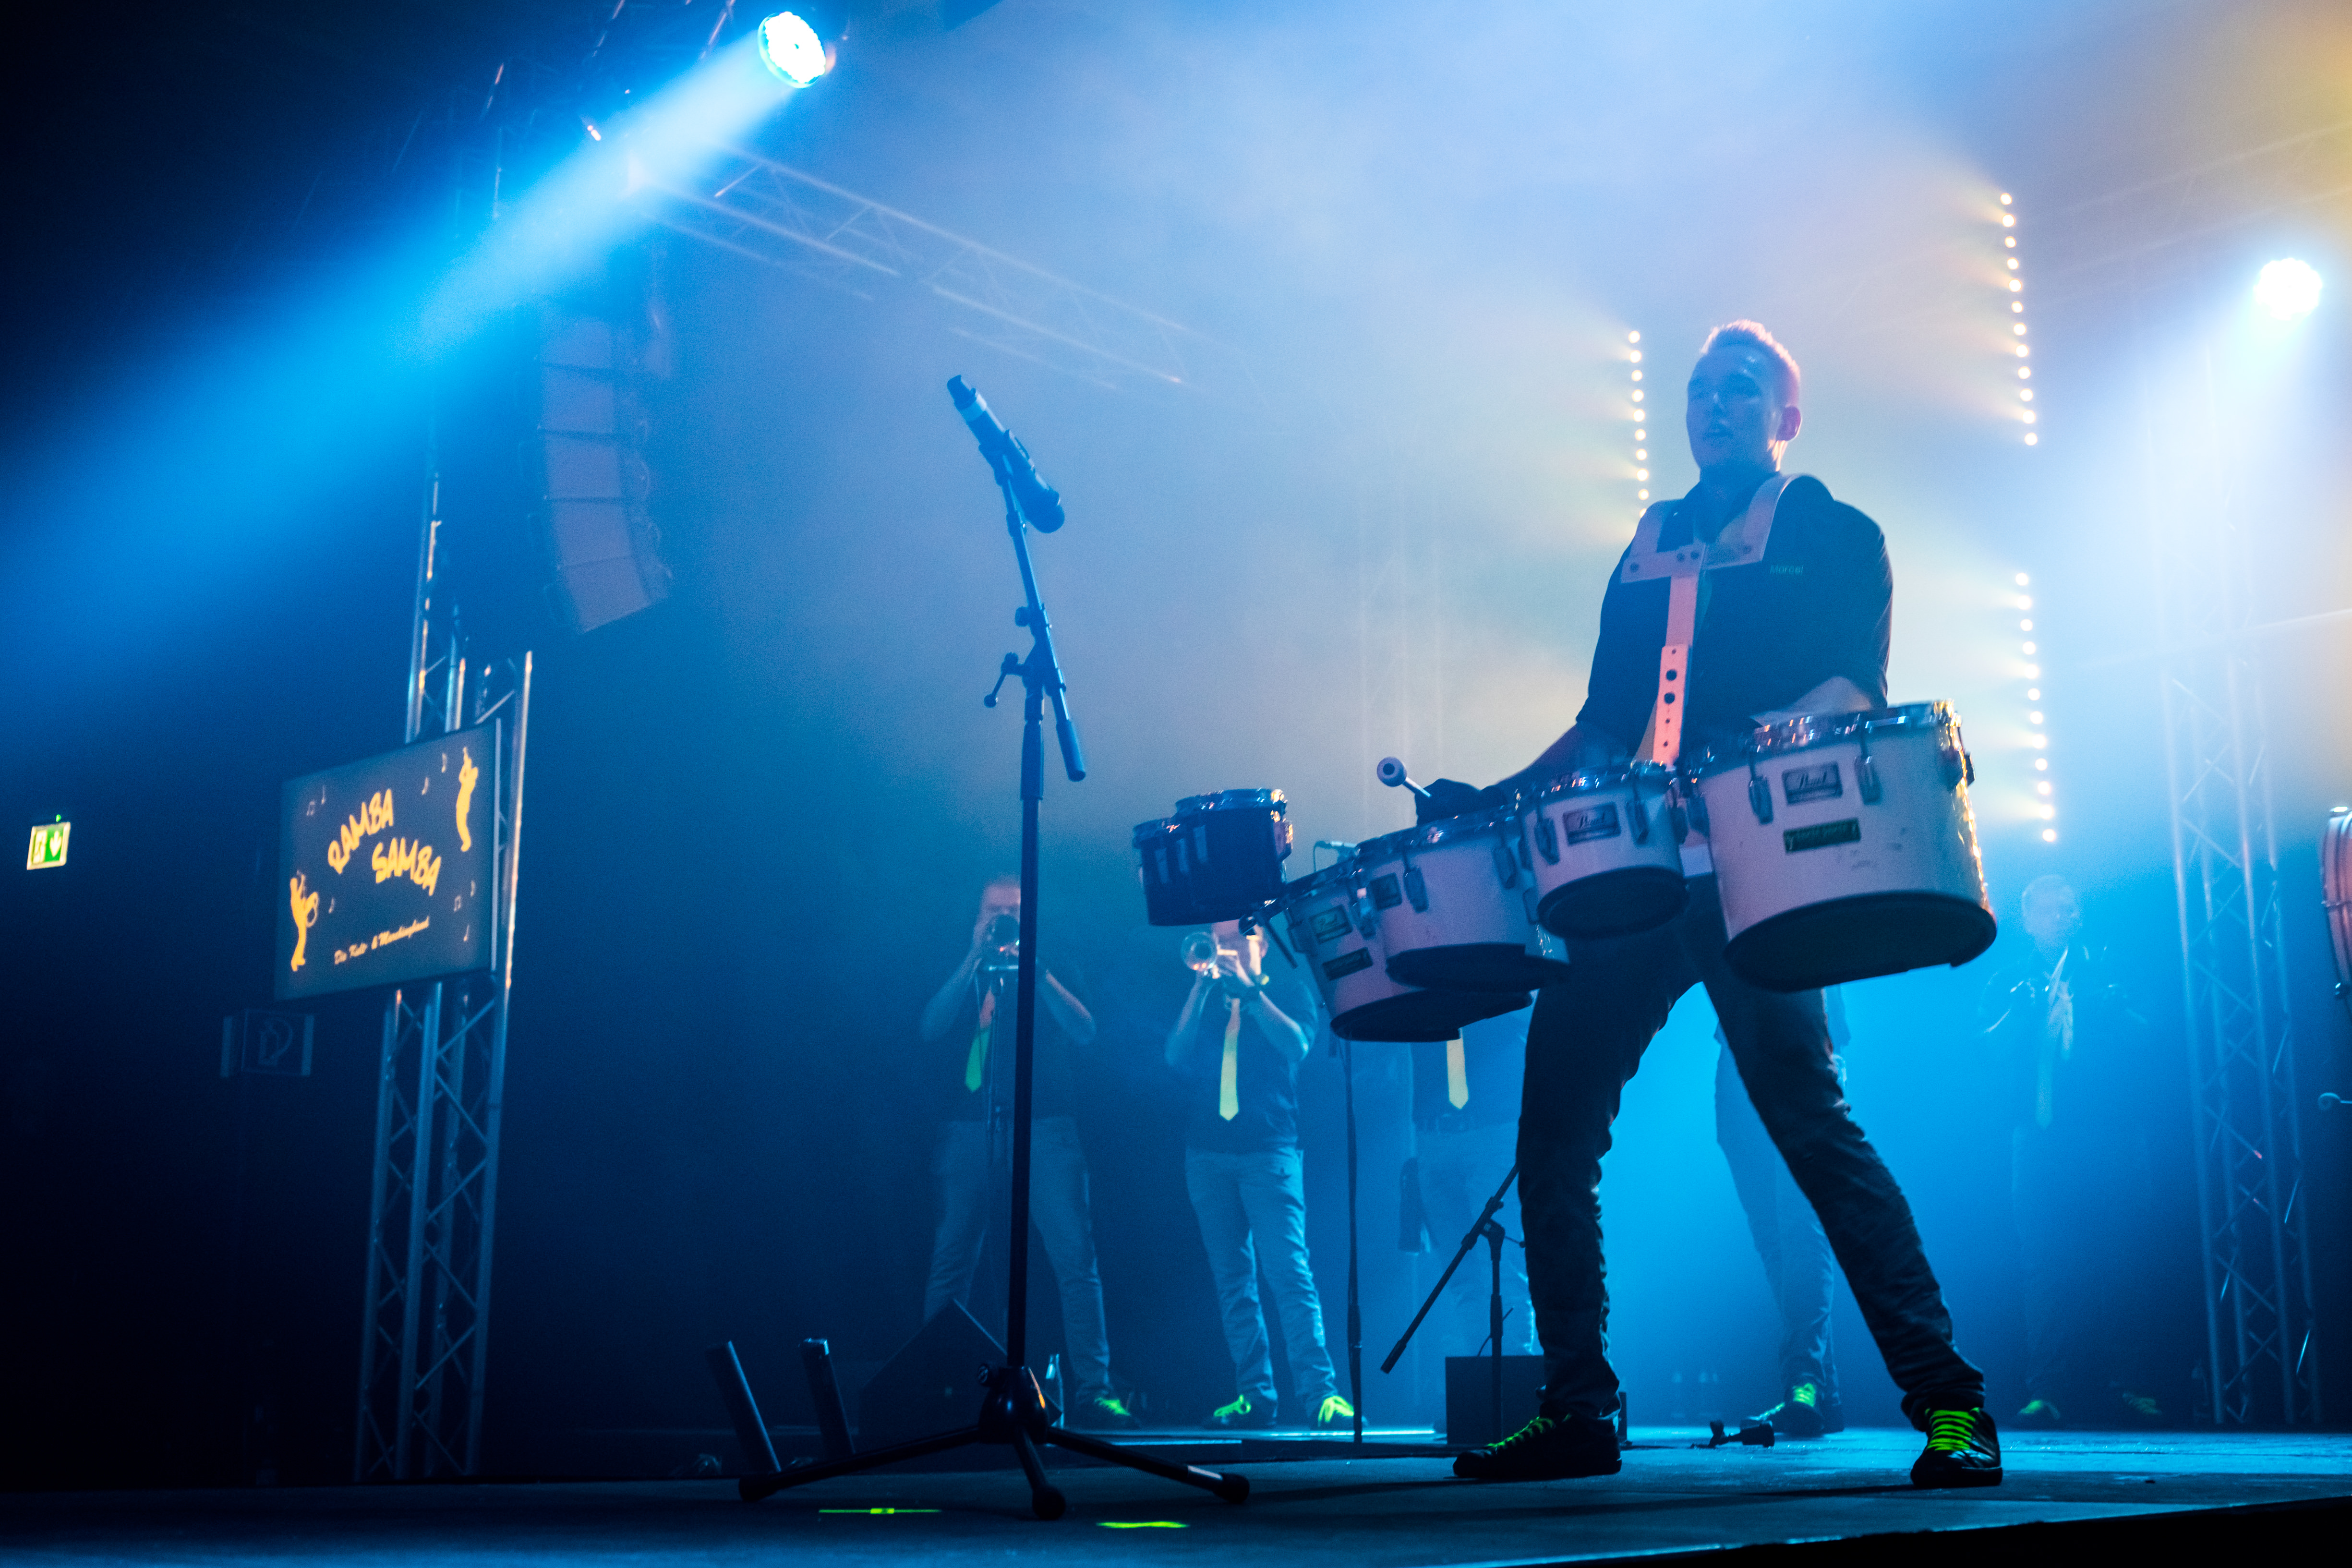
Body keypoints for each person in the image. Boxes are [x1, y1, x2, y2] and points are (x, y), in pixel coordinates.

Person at [1432, 322, 2001, 1488]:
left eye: (1739, 388)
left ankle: (1951, 1404)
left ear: (1785, 417)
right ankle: (1577, 1405)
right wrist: (1492, 797)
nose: (1712, 404)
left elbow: (1851, 687)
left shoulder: (1835, 533)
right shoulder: (1646, 546)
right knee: (1551, 1137)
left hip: (1758, 872)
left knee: (1807, 1123)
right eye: (1697, 389)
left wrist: (1745, 746)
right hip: (1635, 876)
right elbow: (1601, 724)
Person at [917, 875, 1138, 1429]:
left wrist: (1039, 974)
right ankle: (935, 1385)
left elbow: (1086, 1030)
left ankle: (1095, 1389)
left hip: (1046, 1125)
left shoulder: (1052, 962)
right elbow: (931, 1027)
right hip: (969, 1126)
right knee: (952, 1256)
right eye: (994, 910)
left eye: (1015, 910)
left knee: (1074, 1257)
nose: (1005, 919)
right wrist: (972, 957)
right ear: (978, 916)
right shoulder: (966, 964)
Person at [1979, 874, 2163, 1427]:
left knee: (2123, 1257)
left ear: (2080, 915)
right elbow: (1987, 1049)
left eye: (2068, 909)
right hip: (2039, 1136)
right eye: (2048, 911)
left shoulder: (2109, 969)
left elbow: (2151, 1037)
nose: (2060, 918)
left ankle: (2131, 1384)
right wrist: (2020, 1011)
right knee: (2043, 1262)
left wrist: (2115, 1009)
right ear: (2027, 919)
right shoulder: (2009, 980)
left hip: (2111, 1133)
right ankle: (2048, 1388)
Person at [1165, 918, 1354, 1430]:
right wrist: (1199, 987)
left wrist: (1249, 993)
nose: (1223, 946)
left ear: (1262, 944)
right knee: (1233, 1281)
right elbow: (1175, 1055)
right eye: (1217, 939)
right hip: (1206, 1153)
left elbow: (1297, 1046)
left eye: (1234, 938)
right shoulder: (1206, 996)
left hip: (1268, 1151)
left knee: (1289, 1273)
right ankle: (1254, 1394)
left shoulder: (1289, 990)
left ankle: (1320, 1394)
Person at [1714, 990, 1849, 1438]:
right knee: (1775, 1239)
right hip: (1737, 1058)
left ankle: (1804, 1382)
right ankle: (1818, 1392)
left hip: (1803, 1044)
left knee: (1800, 1230)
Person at [1403, 1014, 1538, 1362]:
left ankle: (1511, 1381)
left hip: (1494, 1128)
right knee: (1461, 1275)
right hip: (1432, 1136)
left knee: (1504, 1269)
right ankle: (1481, 1382)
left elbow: (1526, 1014)